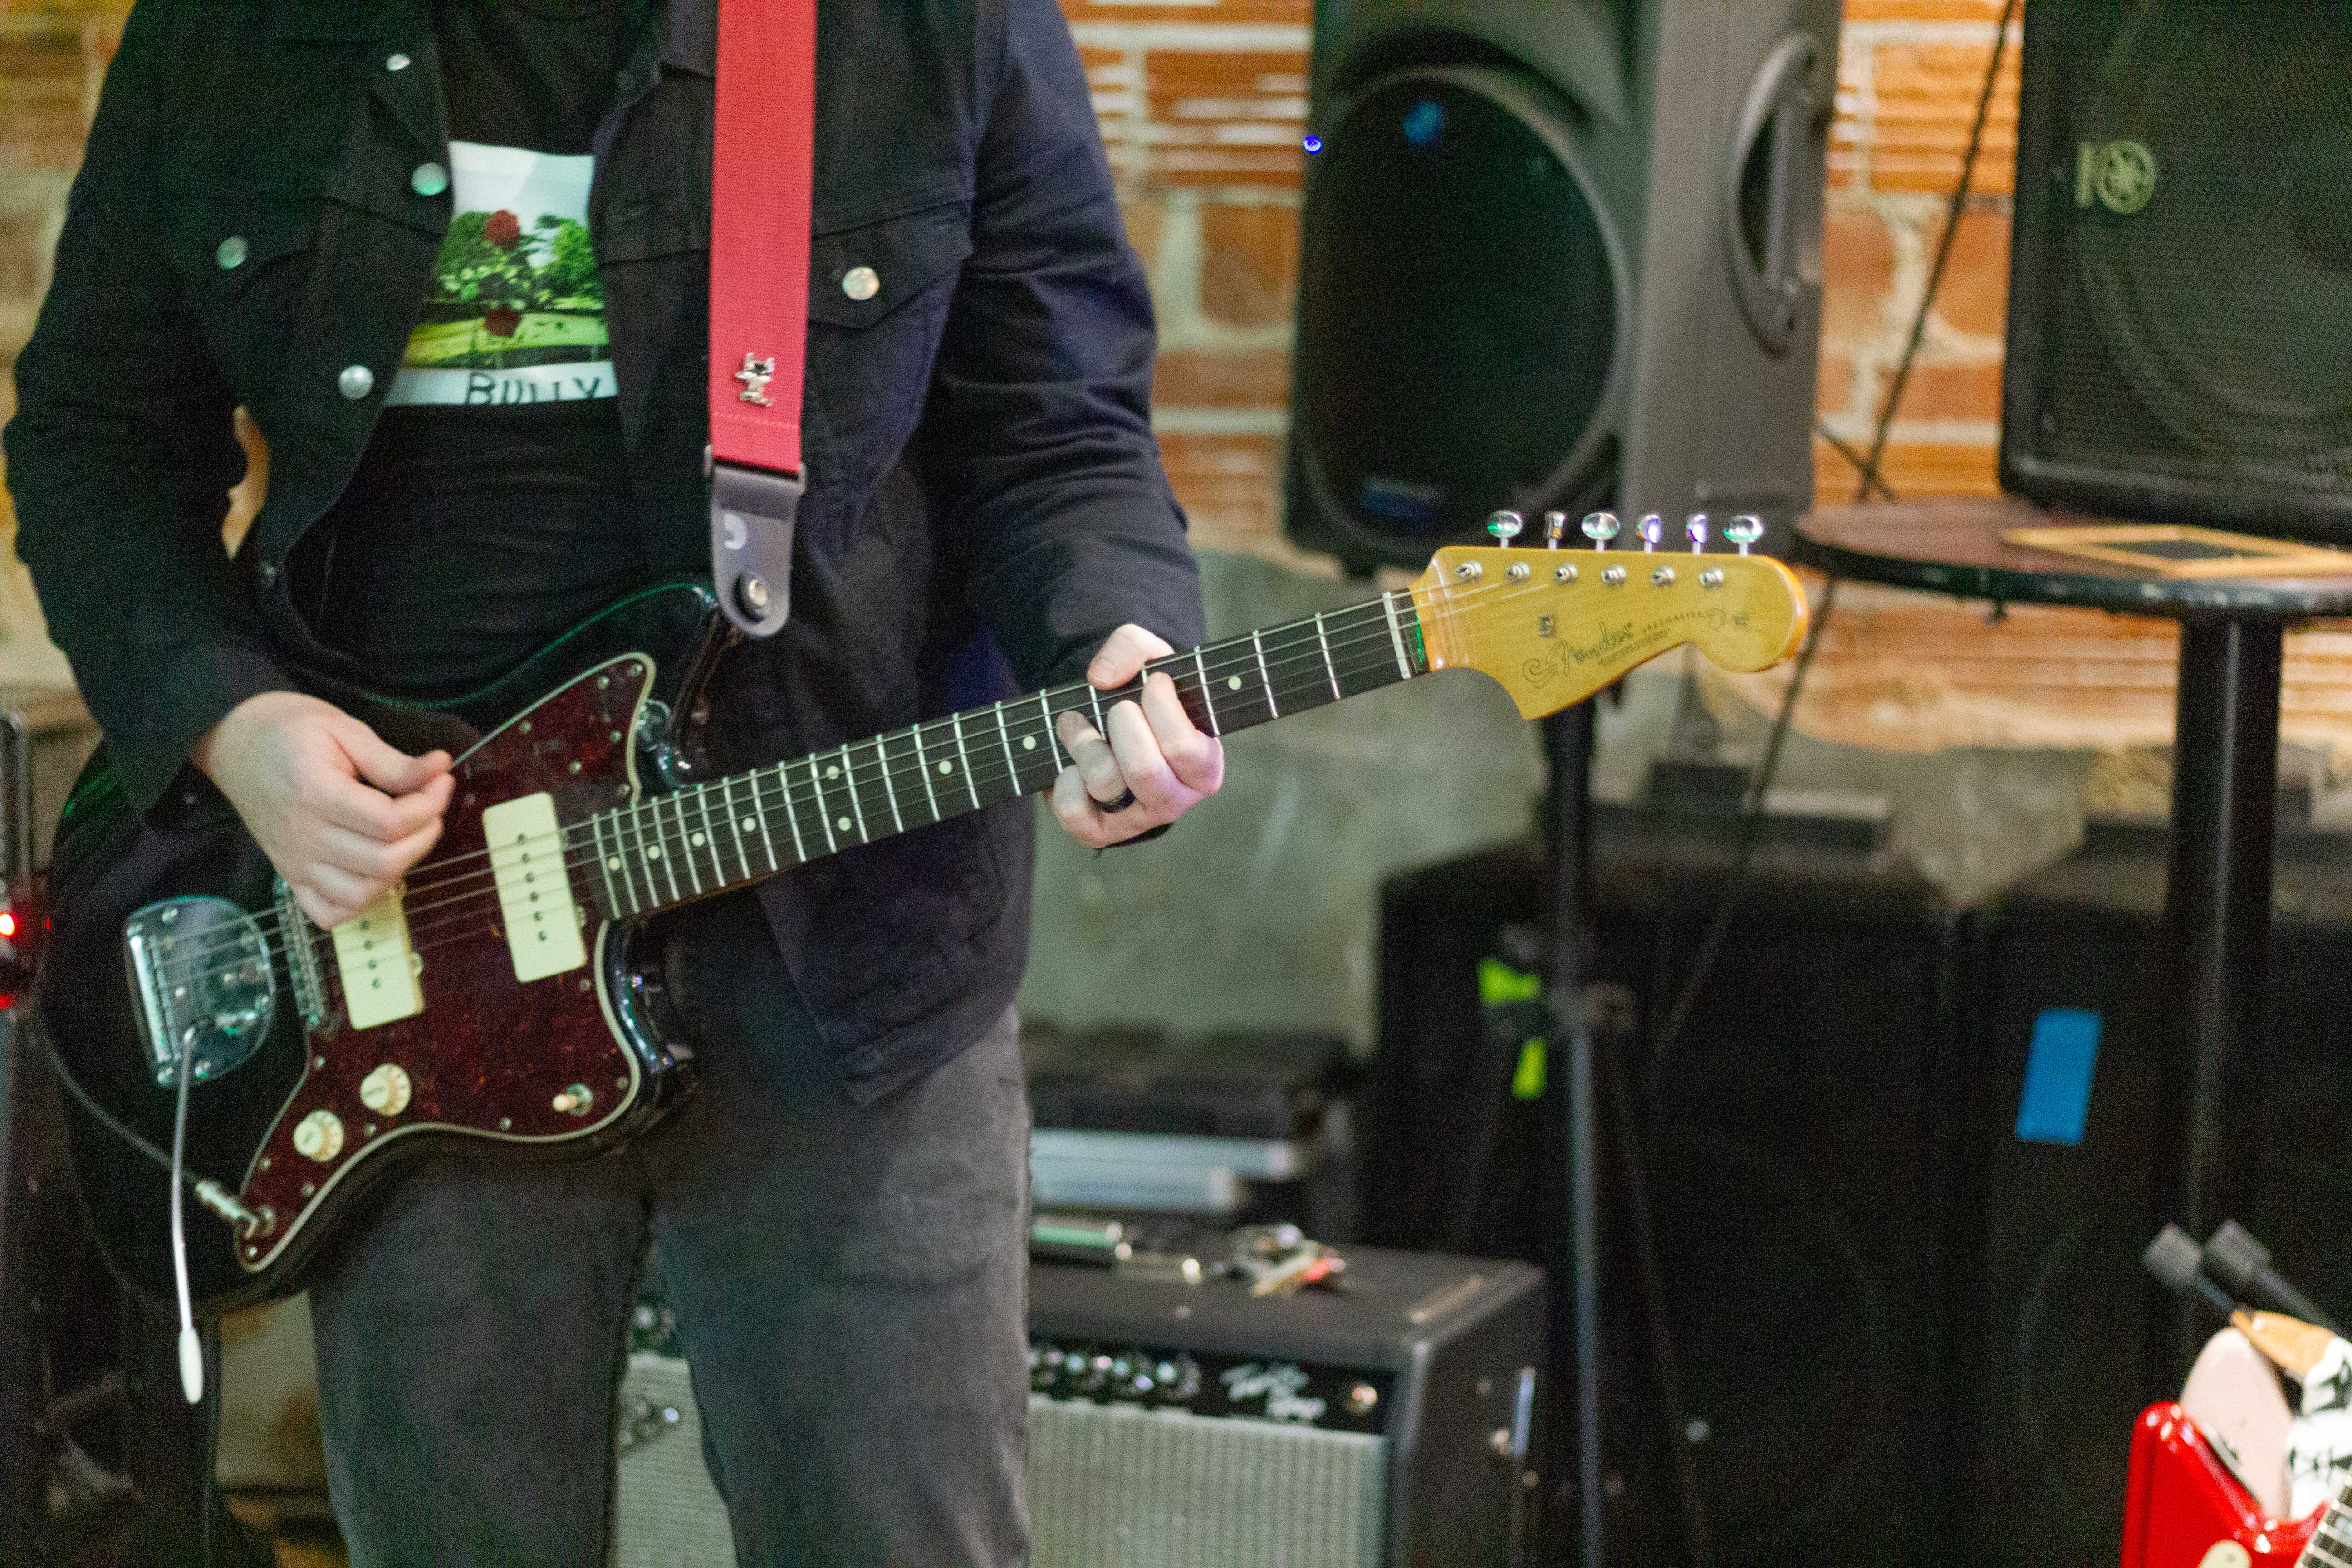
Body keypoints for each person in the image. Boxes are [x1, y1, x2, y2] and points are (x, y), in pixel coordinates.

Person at [4, 0, 1222, 1561]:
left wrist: (1118, 638)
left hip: (845, 946)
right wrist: (232, 724)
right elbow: (97, 437)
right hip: (414, 960)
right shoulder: (233, 31)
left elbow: (1057, 428)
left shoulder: (925, 24)